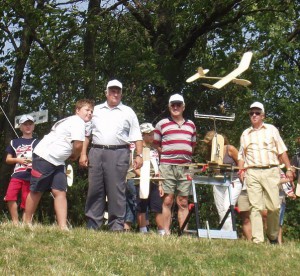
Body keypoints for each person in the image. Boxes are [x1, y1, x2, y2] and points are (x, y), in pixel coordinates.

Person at [79, 79, 143, 231]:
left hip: (119, 152)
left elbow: (137, 135)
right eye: (112, 91)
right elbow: (87, 134)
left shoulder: (128, 111)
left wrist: (139, 155)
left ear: (121, 93)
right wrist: (83, 154)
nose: (115, 94)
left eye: (118, 91)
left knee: (116, 190)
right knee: (95, 189)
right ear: (106, 93)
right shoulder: (96, 110)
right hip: (96, 151)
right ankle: (93, 225)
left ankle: (116, 226)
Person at [24, 99, 94, 230]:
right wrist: (75, 155)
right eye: (86, 110)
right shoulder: (77, 122)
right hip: (44, 157)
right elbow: (78, 145)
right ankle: (26, 222)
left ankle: (62, 226)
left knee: (60, 191)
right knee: (37, 190)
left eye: (91, 111)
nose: (89, 113)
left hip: (58, 162)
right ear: (77, 110)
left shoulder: (74, 121)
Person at [238, 101, 294, 244]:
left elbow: (281, 150)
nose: (254, 115)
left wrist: (289, 168)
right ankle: (257, 240)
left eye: (257, 113)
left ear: (263, 115)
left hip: (271, 171)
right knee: (255, 207)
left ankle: (273, 236)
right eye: (251, 113)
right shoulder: (245, 134)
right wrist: (241, 170)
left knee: (274, 207)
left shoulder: (271, 130)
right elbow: (241, 156)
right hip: (252, 172)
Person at [154, 94, 196, 234]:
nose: (176, 107)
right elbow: (157, 145)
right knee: (167, 200)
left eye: (178, 104)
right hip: (167, 166)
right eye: (173, 104)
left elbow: (192, 145)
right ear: (169, 106)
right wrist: (169, 155)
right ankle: (166, 232)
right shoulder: (161, 124)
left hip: (185, 167)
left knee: (183, 201)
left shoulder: (191, 125)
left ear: (183, 107)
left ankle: (183, 232)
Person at [202, 131, 242, 231]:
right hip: (218, 181)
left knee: (227, 206)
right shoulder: (211, 153)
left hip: (234, 181)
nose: (209, 145)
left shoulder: (230, 149)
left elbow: (241, 162)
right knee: (221, 209)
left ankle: (228, 234)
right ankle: (224, 232)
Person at [4, 115, 39, 225]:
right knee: (10, 196)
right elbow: (8, 159)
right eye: (25, 124)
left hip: (32, 175)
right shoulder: (14, 142)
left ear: (34, 126)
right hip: (17, 175)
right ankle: (15, 222)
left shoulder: (39, 142)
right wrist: (18, 160)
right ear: (21, 127)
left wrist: (33, 161)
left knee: (27, 201)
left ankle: (26, 223)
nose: (28, 126)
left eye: (30, 124)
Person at [135, 123, 164, 234]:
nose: (152, 137)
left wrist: (160, 184)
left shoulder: (154, 150)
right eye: (149, 134)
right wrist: (143, 177)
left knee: (157, 206)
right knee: (142, 205)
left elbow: (157, 167)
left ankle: (161, 231)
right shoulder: (138, 150)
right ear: (142, 135)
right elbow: (135, 167)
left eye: (153, 134)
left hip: (154, 181)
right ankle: (143, 230)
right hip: (142, 181)